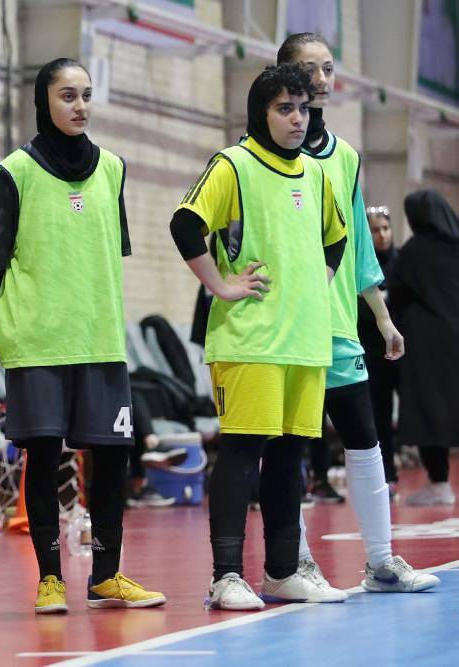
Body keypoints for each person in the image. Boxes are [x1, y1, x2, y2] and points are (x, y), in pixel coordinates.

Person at [0, 57, 166, 614]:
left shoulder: (113, 169)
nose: (79, 105)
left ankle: (106, 575)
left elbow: (111, 250)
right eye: (67, 95)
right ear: (44, 100)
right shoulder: (15, 170)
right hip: (38, 343)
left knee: (112, 457)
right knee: (43, 456)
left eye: (86, 95)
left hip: (101, 338)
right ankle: (50, 578)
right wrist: (33, 308)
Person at [170, 62, 347, 610]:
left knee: (291, 457)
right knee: (242, 453)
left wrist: (314, 285)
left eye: (303, 109)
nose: (298, 119)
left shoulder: (316, 174)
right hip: (250, 340)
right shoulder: (234, 165)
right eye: (284, 109)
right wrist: (221, 286)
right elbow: (184, 224)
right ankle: (225, 576)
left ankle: (281, 572)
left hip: (304, 341)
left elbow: (336, 238)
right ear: (261, 112)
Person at [277, 33, 437, 593]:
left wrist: (383, 318)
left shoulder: (345, 156)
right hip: (286, 327)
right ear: (283, 74)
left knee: (365, 440)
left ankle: (381, 563)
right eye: (309, 68)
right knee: (290, 448)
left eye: (327, 68)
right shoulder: (262, 155)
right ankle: (295, 563)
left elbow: (360, 247)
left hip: (340, 324)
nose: (321, 79)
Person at [392, 190, 459, 506]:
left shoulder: (413, 252)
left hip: (428, 347)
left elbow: (396, 294)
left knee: (431, 412)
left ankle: (440, 484)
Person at [359, 206, 401, 491]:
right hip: (374, 354)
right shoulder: (362, 267)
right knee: (380, 416)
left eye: (385, 228)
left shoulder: (402, 263)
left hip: (403, 353)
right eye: (375, 230)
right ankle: (388, 474)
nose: (382, 235)